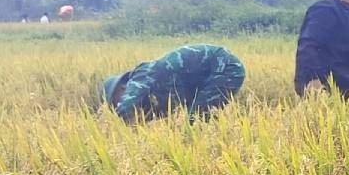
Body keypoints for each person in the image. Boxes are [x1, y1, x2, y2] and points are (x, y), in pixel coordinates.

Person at [103, 44, 246, 123]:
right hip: (208, 77)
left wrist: (116, 127)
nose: (116, 105)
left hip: (225, 67)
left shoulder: (142, 73)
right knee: (200, 117)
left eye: (114, 100)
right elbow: (161, 118)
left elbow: (128, 102)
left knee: (195, 118)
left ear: (122, 87)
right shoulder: (155, 97)